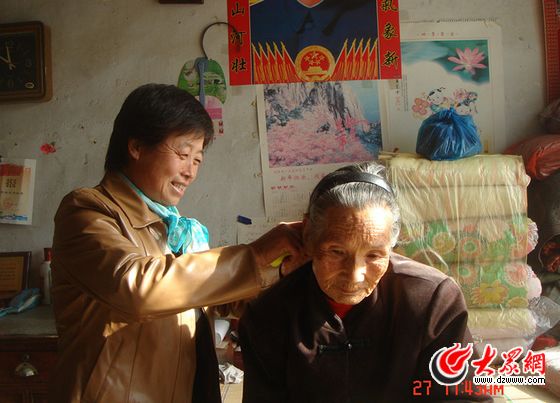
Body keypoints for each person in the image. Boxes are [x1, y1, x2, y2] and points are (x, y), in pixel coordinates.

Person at [49, 83, 306, 403]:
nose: (190, 173)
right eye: (184, 155)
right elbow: (138, 287)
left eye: (197, 160)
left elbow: (213, 298)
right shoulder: (86, 211)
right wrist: (254, 256)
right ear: (137, 146)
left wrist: (280, 270)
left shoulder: (174, 228)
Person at [239, 162, 492, 402]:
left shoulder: (432, 301)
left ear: (391, 245)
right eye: (337, 252)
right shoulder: (269, 315)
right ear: (309, 235)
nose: (355, 275)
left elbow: (462, 396)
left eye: (374, 255)